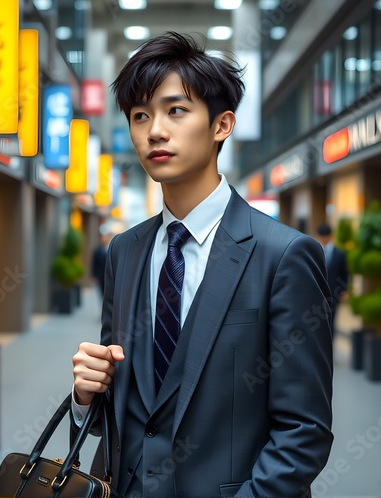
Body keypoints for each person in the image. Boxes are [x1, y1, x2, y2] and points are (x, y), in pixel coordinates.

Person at [71, 32, 333, 497]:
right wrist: (85, 396)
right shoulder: (125, 251)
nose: (154, 130)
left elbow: (304, 429)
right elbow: (124, 404)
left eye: (176, 110)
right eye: (139, 115)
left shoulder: (284, 254)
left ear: (221, 125)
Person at [315, 223, 349, 338]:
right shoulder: (314, 252)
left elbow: (345, 273)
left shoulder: (340, 253)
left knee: (332, 321)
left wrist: (344, 290)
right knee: (316, 322)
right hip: (317, 293)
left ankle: (330, 346)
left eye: (326, 236)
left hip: (334, 293)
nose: (324, 239)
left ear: (330, 236)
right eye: (321, 236)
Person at [91, 232, 110, 297]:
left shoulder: (111, 248)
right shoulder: (97, 250)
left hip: (110, 276)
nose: (104, 239)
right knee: (102, 293)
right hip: (101, 276)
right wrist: (94, 274)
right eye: (102, 237)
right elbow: (94, 263)